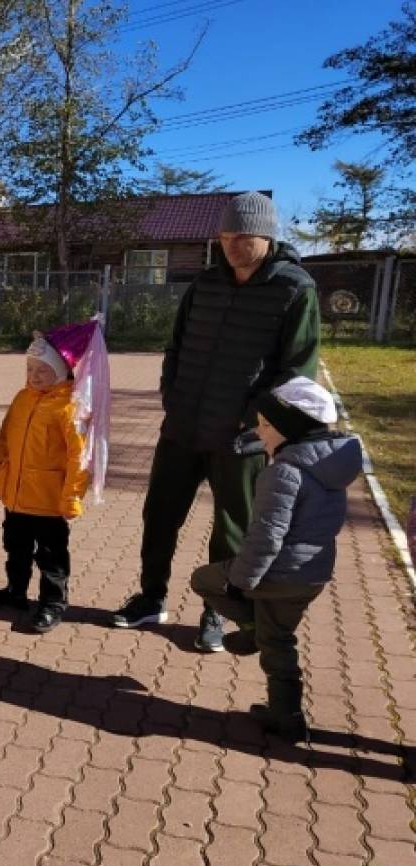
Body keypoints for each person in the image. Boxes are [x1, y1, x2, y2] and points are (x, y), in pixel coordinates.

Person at [112, 191, 322, 651]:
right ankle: (151, 597)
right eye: (225, 235)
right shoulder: (205, 284)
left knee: (232, 528)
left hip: (240, 438)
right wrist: (173, 395)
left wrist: (255, 420)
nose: (231, 244)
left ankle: (216, 613)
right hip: (183, 427)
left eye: (241, 236)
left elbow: (297, 371)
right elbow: (176, 347)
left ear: (265, 236)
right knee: (160, 515)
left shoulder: (294, 289)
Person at [189, 378, 361, 741]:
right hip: (313, 576)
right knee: (278, 635)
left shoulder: (283, 472)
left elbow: (266, 537)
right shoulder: (331, 465)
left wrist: (238, 584)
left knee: (207, 582)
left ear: (291, 428)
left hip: (279, 577)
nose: (259, 432)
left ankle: (286, 715)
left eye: (266, 425)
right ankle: (268, 663)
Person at [0, 319, 110, 632]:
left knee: (51, 556)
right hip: (16, 496)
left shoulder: (70, 406)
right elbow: (5, 439)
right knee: (15, 547)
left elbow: (79, 457)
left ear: (61, 371)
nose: (35, 376)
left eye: (42, 370)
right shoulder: (21, 398)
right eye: (30, 369)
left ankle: (52, 603)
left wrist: (71, 495)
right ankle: (16, 591)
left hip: (49, 501)